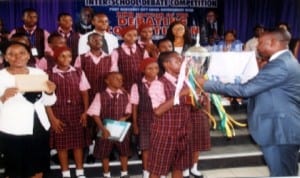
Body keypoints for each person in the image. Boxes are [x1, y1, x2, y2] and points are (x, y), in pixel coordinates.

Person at [198, 29, 300, 176]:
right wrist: (242, 95)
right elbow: (265, 90)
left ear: (273, 42)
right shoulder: (285, 60)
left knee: (282, 173)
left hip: (279, 130)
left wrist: (207, 84)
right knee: (284, 172)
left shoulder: (281, 64)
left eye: (260, 42)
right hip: (280, 128)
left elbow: (246, 89)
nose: (257, 46)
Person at [0, 41, 56, 178]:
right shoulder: (1, 76)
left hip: (38, 126)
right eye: (11, 54)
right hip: (12, 129)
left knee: (38, 168)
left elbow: (48, 102)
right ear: (5, 58)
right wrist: (3, 97)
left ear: (28, 56)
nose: (17, 57)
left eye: (21, 53)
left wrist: (50, 92)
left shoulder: (38, 73)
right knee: (14, 168)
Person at [46, 46, 91, 178]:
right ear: (56, 58)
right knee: (62, 146)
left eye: (69, 56)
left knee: (78, 144)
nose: (66, 59)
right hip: (58, 112)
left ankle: (80, 172)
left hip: (76, 111)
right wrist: (52, 118)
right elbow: (45, 98)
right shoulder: (48, 73)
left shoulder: (78, 72)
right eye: (62, 56)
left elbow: (85, 93)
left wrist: (85, 112)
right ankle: (65, 173)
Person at [148, 51, 194, 178]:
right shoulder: (158, 84)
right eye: (177, 61)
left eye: (181, 60)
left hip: (184, 131)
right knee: (157, 170)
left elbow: (191, 107)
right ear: (167, 65)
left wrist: (199, 98)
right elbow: (157, 111)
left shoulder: (186, 82)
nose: (181, 63)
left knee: (179, 167)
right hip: (165, 133)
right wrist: (180, 94)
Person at [74, 32, 115, 163]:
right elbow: (76, 76)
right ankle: (91, 151)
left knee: (105, 121)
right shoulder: (81, 58)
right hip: (88, 95)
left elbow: (113, 76)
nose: (97, 42)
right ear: (88, 43)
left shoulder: (109, 58)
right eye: (94, 40)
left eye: (100, 40)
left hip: (105, 95)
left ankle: (107, 150)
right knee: (90, 124)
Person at [87, 72, 132, 178]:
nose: (120, 81)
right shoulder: (100, 95)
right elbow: (94, 114)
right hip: (105, 129)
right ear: (107, 81)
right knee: (104, 152)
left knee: (124, 151)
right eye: (116, 78)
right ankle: (106, 174)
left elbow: (129, 111)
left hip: (121, 128)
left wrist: (125, 117)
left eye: (121, 79)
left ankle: (124, 173)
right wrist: (102, 129)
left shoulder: (126, 95)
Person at [130, 58, 159, 178]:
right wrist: (135, 124)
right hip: (144, 119)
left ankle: (158, 171)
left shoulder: (162, 82)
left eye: (156, 68)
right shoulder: (137, 85)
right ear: (143, 70)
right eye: (149, 68)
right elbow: (134, 105)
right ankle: (146, 172)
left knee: (158, 146)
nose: (154, 71)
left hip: (160, 119)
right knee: (145, 147)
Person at [111, 26, 148, 91]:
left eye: (135, 35)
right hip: (124, 85)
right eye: (129, 35)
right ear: (123, 36)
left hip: (141, 84)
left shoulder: (142, 50)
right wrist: (118, 85)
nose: (132, 37)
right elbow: (114, 70)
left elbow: (147, 67)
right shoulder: (116, 51)